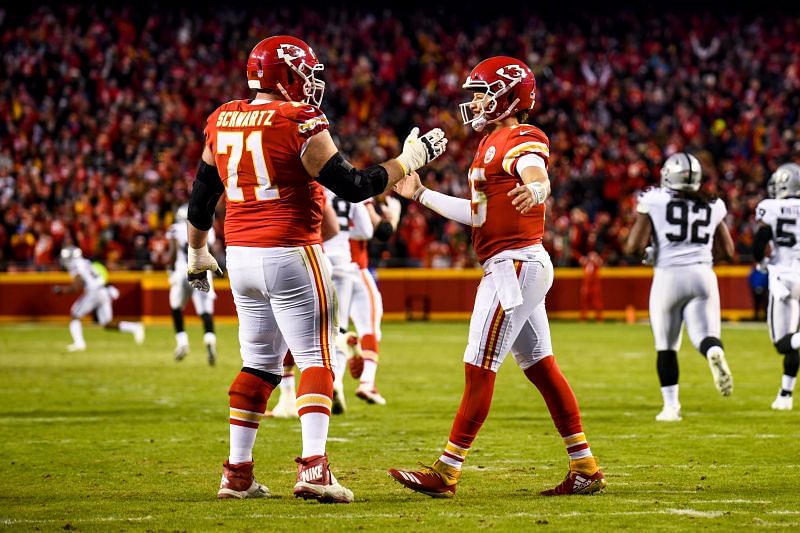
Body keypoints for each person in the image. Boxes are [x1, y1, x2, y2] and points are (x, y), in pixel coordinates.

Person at [184, 35, 446, 503]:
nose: (310, 83)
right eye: (304, 72)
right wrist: (407, 161)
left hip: (240, 255)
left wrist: (197, 251)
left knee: (259, 364)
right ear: (285, 74)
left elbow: (202, 194)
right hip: (291, 252)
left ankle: (237, 475)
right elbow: (353, 185)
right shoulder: (299, 118)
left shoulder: (221, 117)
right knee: (318, 358)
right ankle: (314, 469)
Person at [388, 56, 606, 498]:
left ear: (508, 95)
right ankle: (585, 466)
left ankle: (447, 471)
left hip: (514, 266)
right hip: (516, 263)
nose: (475, 101)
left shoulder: (521, 135)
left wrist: (539, 187)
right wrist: (422, 194)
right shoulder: (490, 141)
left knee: (479, 365)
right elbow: (477, 215)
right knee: (541, 367)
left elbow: (535, 169)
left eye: (482, 92)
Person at [625, 153, 735, 422]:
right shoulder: (712, 202)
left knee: (667, 345)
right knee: (704, 336)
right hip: (703, 274)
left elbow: (632, 247)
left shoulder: (654, 199)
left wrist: (649, 253)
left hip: (668, 276)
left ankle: (671, 407)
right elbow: (729, 252)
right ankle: (713, 352)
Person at [753, 163, 800, 410]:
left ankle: (785, 394)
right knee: (794, 339)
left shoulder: (769, 207)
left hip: (786, 278)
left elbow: (760, 241)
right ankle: (785, 394)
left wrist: (761, 261)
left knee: (783, 342)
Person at [346, 195, 401, 405]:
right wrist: (392, 219)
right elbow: (379, 231)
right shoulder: (353, 187)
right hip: (354, 267)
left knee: (330, 331)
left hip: (324, 267)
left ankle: (332, 387)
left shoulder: (316, 189)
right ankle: (367, 382)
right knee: (370, 328)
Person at [54, 246, 145, 351]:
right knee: (107, 323)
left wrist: (62, 290)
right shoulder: (86, 262)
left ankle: (79, 343)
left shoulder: (75, 265)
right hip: (103, 290)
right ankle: (134, 327)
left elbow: (77, 285)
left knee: (75, 315)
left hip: (94, 291)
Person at [166, 204, 218, 365]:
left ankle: (182, 342)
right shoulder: (207, 228)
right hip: (202, 272)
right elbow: (212, 252)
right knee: (205, 312)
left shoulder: (176, 229)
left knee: (176, 307)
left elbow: (173, 253)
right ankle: (209, 339)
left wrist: (170, 268)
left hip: (182, 271)